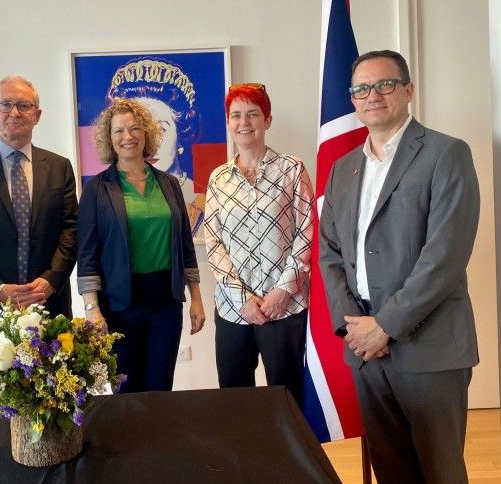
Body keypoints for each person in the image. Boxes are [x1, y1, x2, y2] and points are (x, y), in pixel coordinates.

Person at [319, 50, 480, 483]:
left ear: (408, 90)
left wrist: (384, 326)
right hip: (366, 352)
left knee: (440, 472)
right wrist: (356, 328)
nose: (372, 95)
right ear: (352, 99)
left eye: (385, 84)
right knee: (392, 472)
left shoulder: (447, 154)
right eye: (361, 88)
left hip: (429, 347)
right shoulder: (342, 169)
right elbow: (330, 253)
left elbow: (445, 256)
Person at [77, 98, 205, 392]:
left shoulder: (169, 184)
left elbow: (185, 246)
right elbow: (87, 256)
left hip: (165, 303)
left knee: (161, 387)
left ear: (146, 133)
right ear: (109, 139)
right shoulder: (97, 190)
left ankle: (158, 440)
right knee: (126, 390)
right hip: (119, 303)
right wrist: (91, 309)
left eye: (135, 129)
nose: (128, 137)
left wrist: (195, 296)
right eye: (119, 131)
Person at [204, 83, 314, 406]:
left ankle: (288, 458)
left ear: (267, 119)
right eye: (236, 115)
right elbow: (213, 244)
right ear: (228, 121)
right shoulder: (218, 178)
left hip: (285, 307)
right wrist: (242, 299)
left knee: (287, 399)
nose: (244, 122)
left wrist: (282, 292)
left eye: (253, 113)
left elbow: (307, 233)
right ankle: (243, 459)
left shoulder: (291, 169)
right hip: (233, 310)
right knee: (236, 403)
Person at [0, 75, 78, 320]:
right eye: (5, 104)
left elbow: (70, 231)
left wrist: (51, 281)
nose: (14, 112)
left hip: (48, 304)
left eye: (24, 105)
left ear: (37, 115)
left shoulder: (59, 167)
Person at [107, 58, 205, 234]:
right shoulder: (104, 190)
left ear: (181, 135)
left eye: (160, 129)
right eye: (138, 129)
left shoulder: (201, 199)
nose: (148, 141)